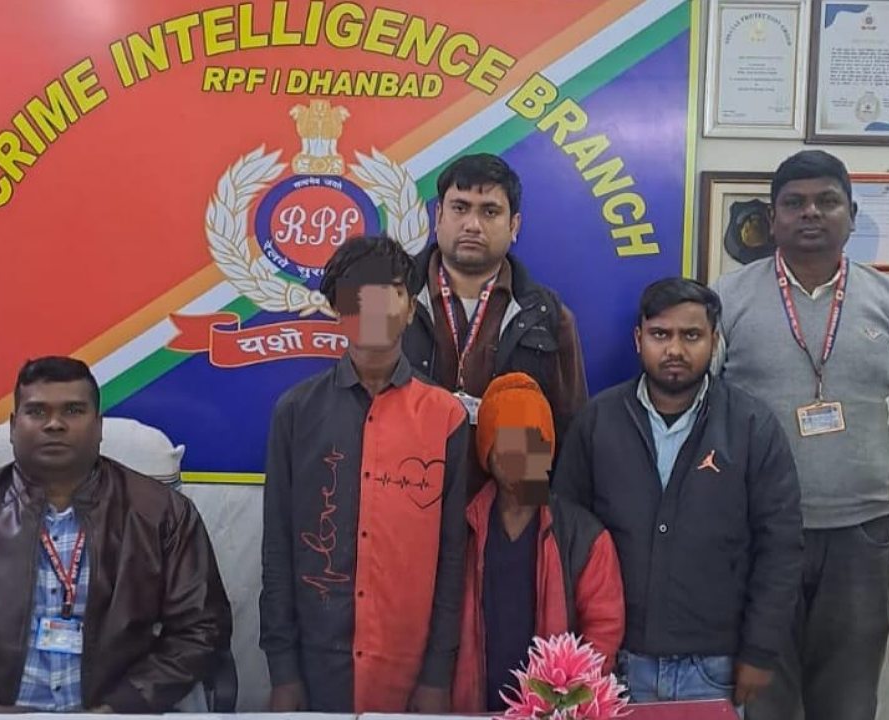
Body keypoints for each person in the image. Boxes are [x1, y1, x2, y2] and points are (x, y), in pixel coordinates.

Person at [0, 357, 231, 713]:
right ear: (14, 427)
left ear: (98, 426)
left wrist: (120, 707)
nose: (55, 424)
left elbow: (201, 631)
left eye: (73, 411)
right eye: (37, 412)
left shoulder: (163, 514)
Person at [712, 150, 889, 720]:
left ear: (852, 215)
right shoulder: (726, 299)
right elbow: (705, 412)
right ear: (772, 218)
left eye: (827, 201)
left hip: (860, 535)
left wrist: (872, 470)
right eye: (795, 203)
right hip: (757, 529)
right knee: (764, 695)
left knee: (848, 698)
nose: (811, 213)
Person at [554, 278, 802, 708]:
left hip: (716, 666)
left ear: (714, 341)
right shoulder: (597, 423)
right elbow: (563, 538)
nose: (674, 349)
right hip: (615, 662)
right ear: (638, 339)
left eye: (691, 336)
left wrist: (760, 650)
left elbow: (780, 547)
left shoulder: (751, 426)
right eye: (660, 334)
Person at [260, 234, 469, 713]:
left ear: (411, 309)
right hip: (315, 666)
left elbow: (452, 555)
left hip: (409, 670)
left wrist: (437, 675)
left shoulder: (446, 416)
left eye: (389, 290)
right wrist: (283, 672)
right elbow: (278, 548)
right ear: (337, 309)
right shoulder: (295, 412)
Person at [452, 372, 625, 713]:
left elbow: (604, 629)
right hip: (473, 704)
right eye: (508, 443)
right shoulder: (462, 528)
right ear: (488, 453)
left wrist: (564, 702)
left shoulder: (584, 536)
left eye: (534, 441)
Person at [403, 153, 587, 460]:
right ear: (438, 217)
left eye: (490, 212)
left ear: (514, 225)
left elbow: (571, 429)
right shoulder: (393, 299)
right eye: (460, 208)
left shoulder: (549, 316)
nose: (472, 225)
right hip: (409, 480)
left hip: (509, 487)